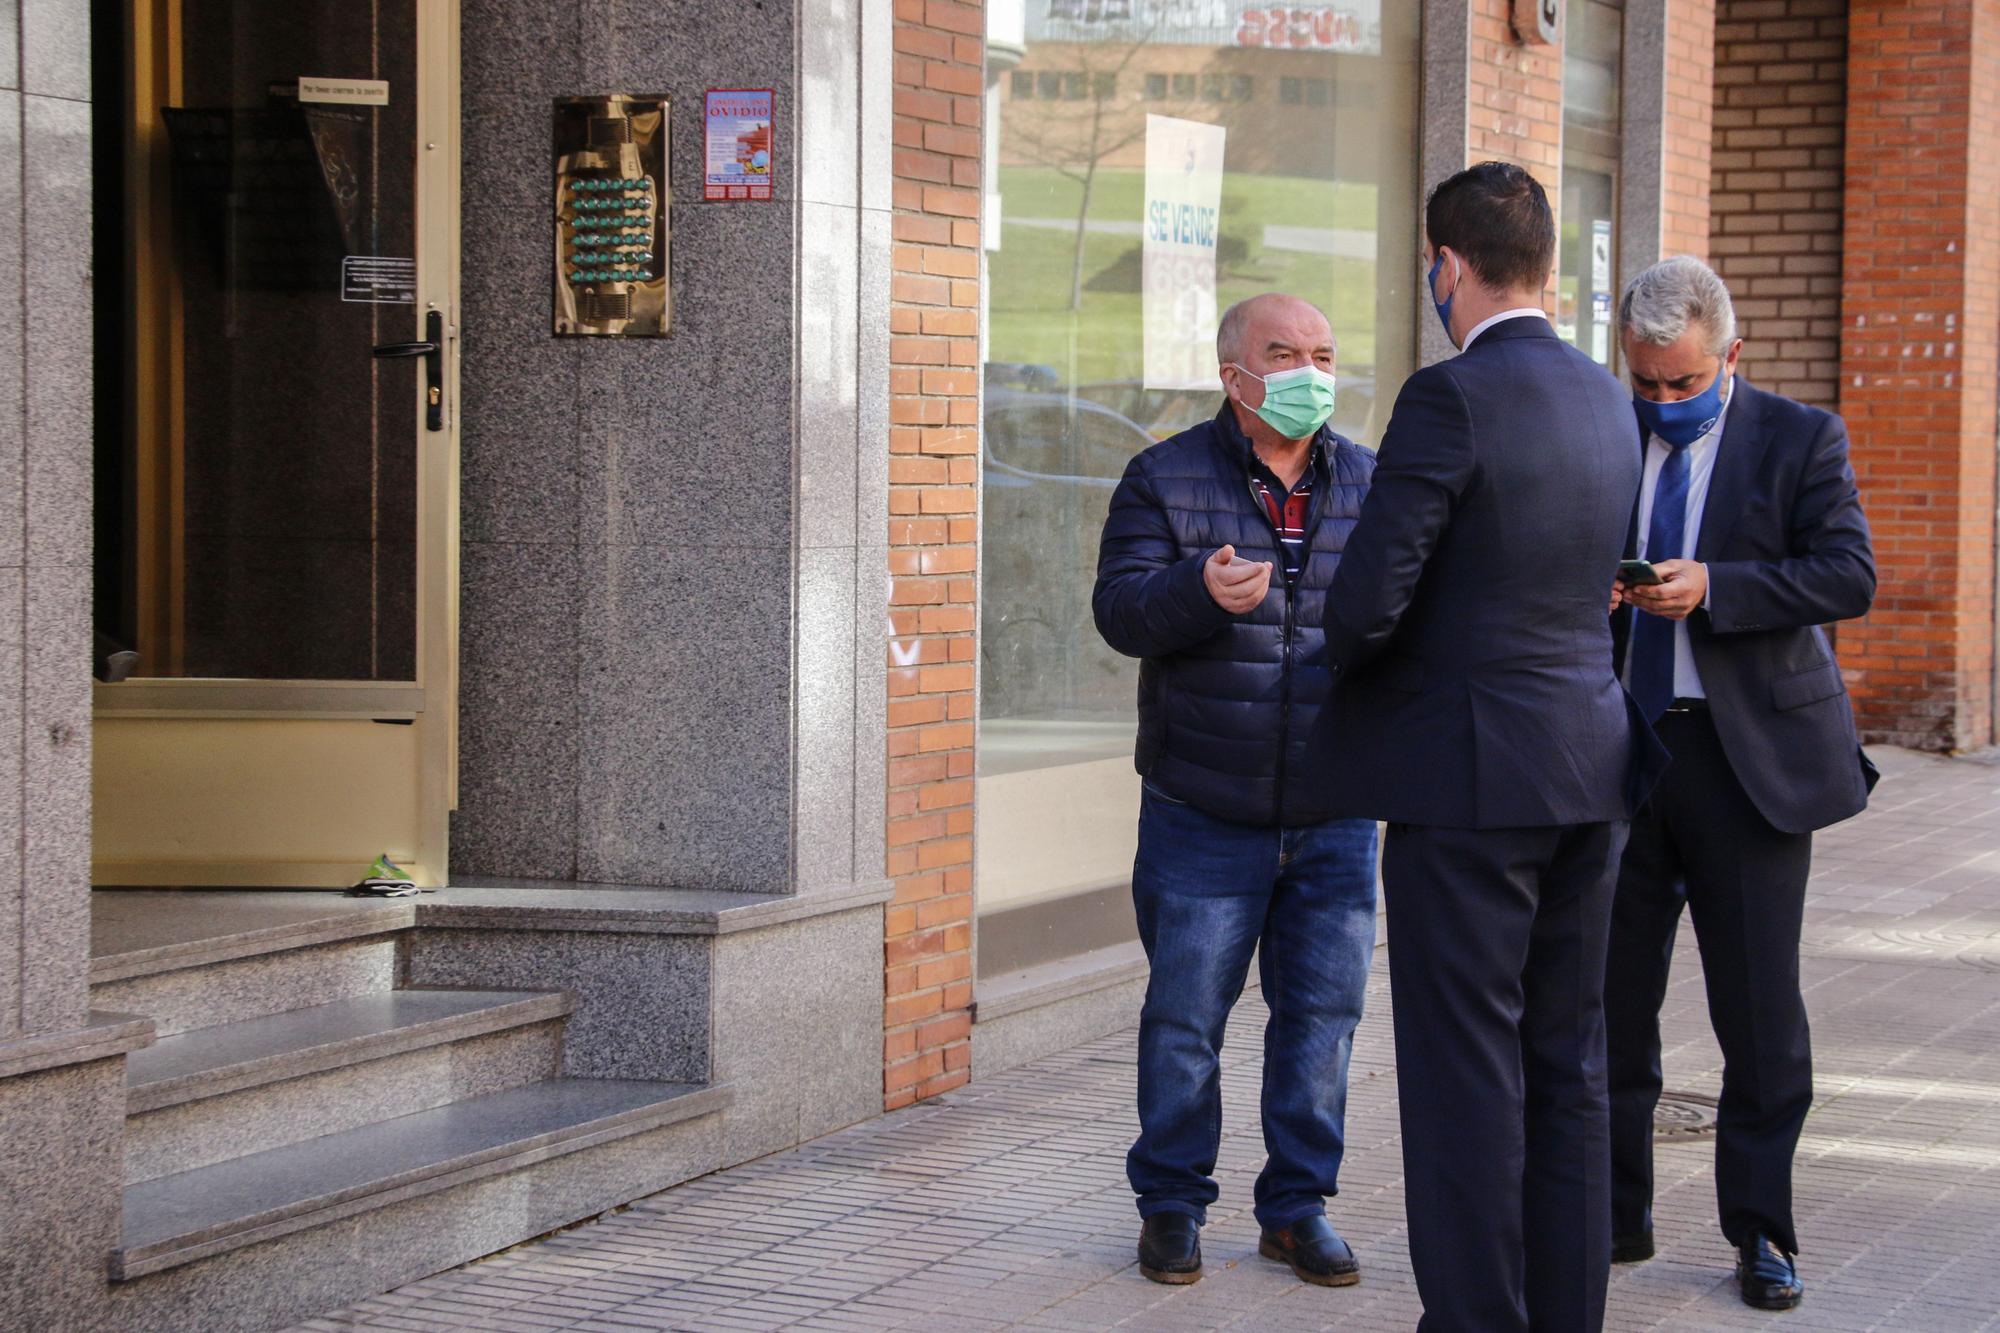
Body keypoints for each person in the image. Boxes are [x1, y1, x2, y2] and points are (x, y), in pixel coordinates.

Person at [1310, 162, 1667, 1332]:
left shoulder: (1446, 396)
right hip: (1589, 767)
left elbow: (1367, 601)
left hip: (1468, 784)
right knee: (1566, 1065)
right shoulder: (1604, 396)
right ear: (1549, 268)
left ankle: (1472, 1321)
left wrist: (1353, 667)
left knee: (1464, 1075)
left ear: (1446, 266)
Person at [1605, 256, 1875, 1313]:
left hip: (1744, 761)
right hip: (1618, 752)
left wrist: (1715, 586)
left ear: (1730, 353)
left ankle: (1759, 1232)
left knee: (1757, 1013)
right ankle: (1615, 1213)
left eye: (1682, 383)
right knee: (1608, 1005)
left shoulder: (1799, 437)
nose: (1663, 403)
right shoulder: (1604, 427)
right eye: (1646, 384)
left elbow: (1844, 573)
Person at [1093, 293, 1379, 1290]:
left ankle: (1296, 1210)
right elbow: (1118, 612)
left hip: (1336, 814)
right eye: (1284, 353)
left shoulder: (1372, 482)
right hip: (1201, 808)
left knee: (1322, 1020)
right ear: (1233, 375)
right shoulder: (1162, 477)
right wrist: (1191, 594)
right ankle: (1170, 1206)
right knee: (1184, 1021)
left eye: (1323, 351)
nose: (1309, 371)